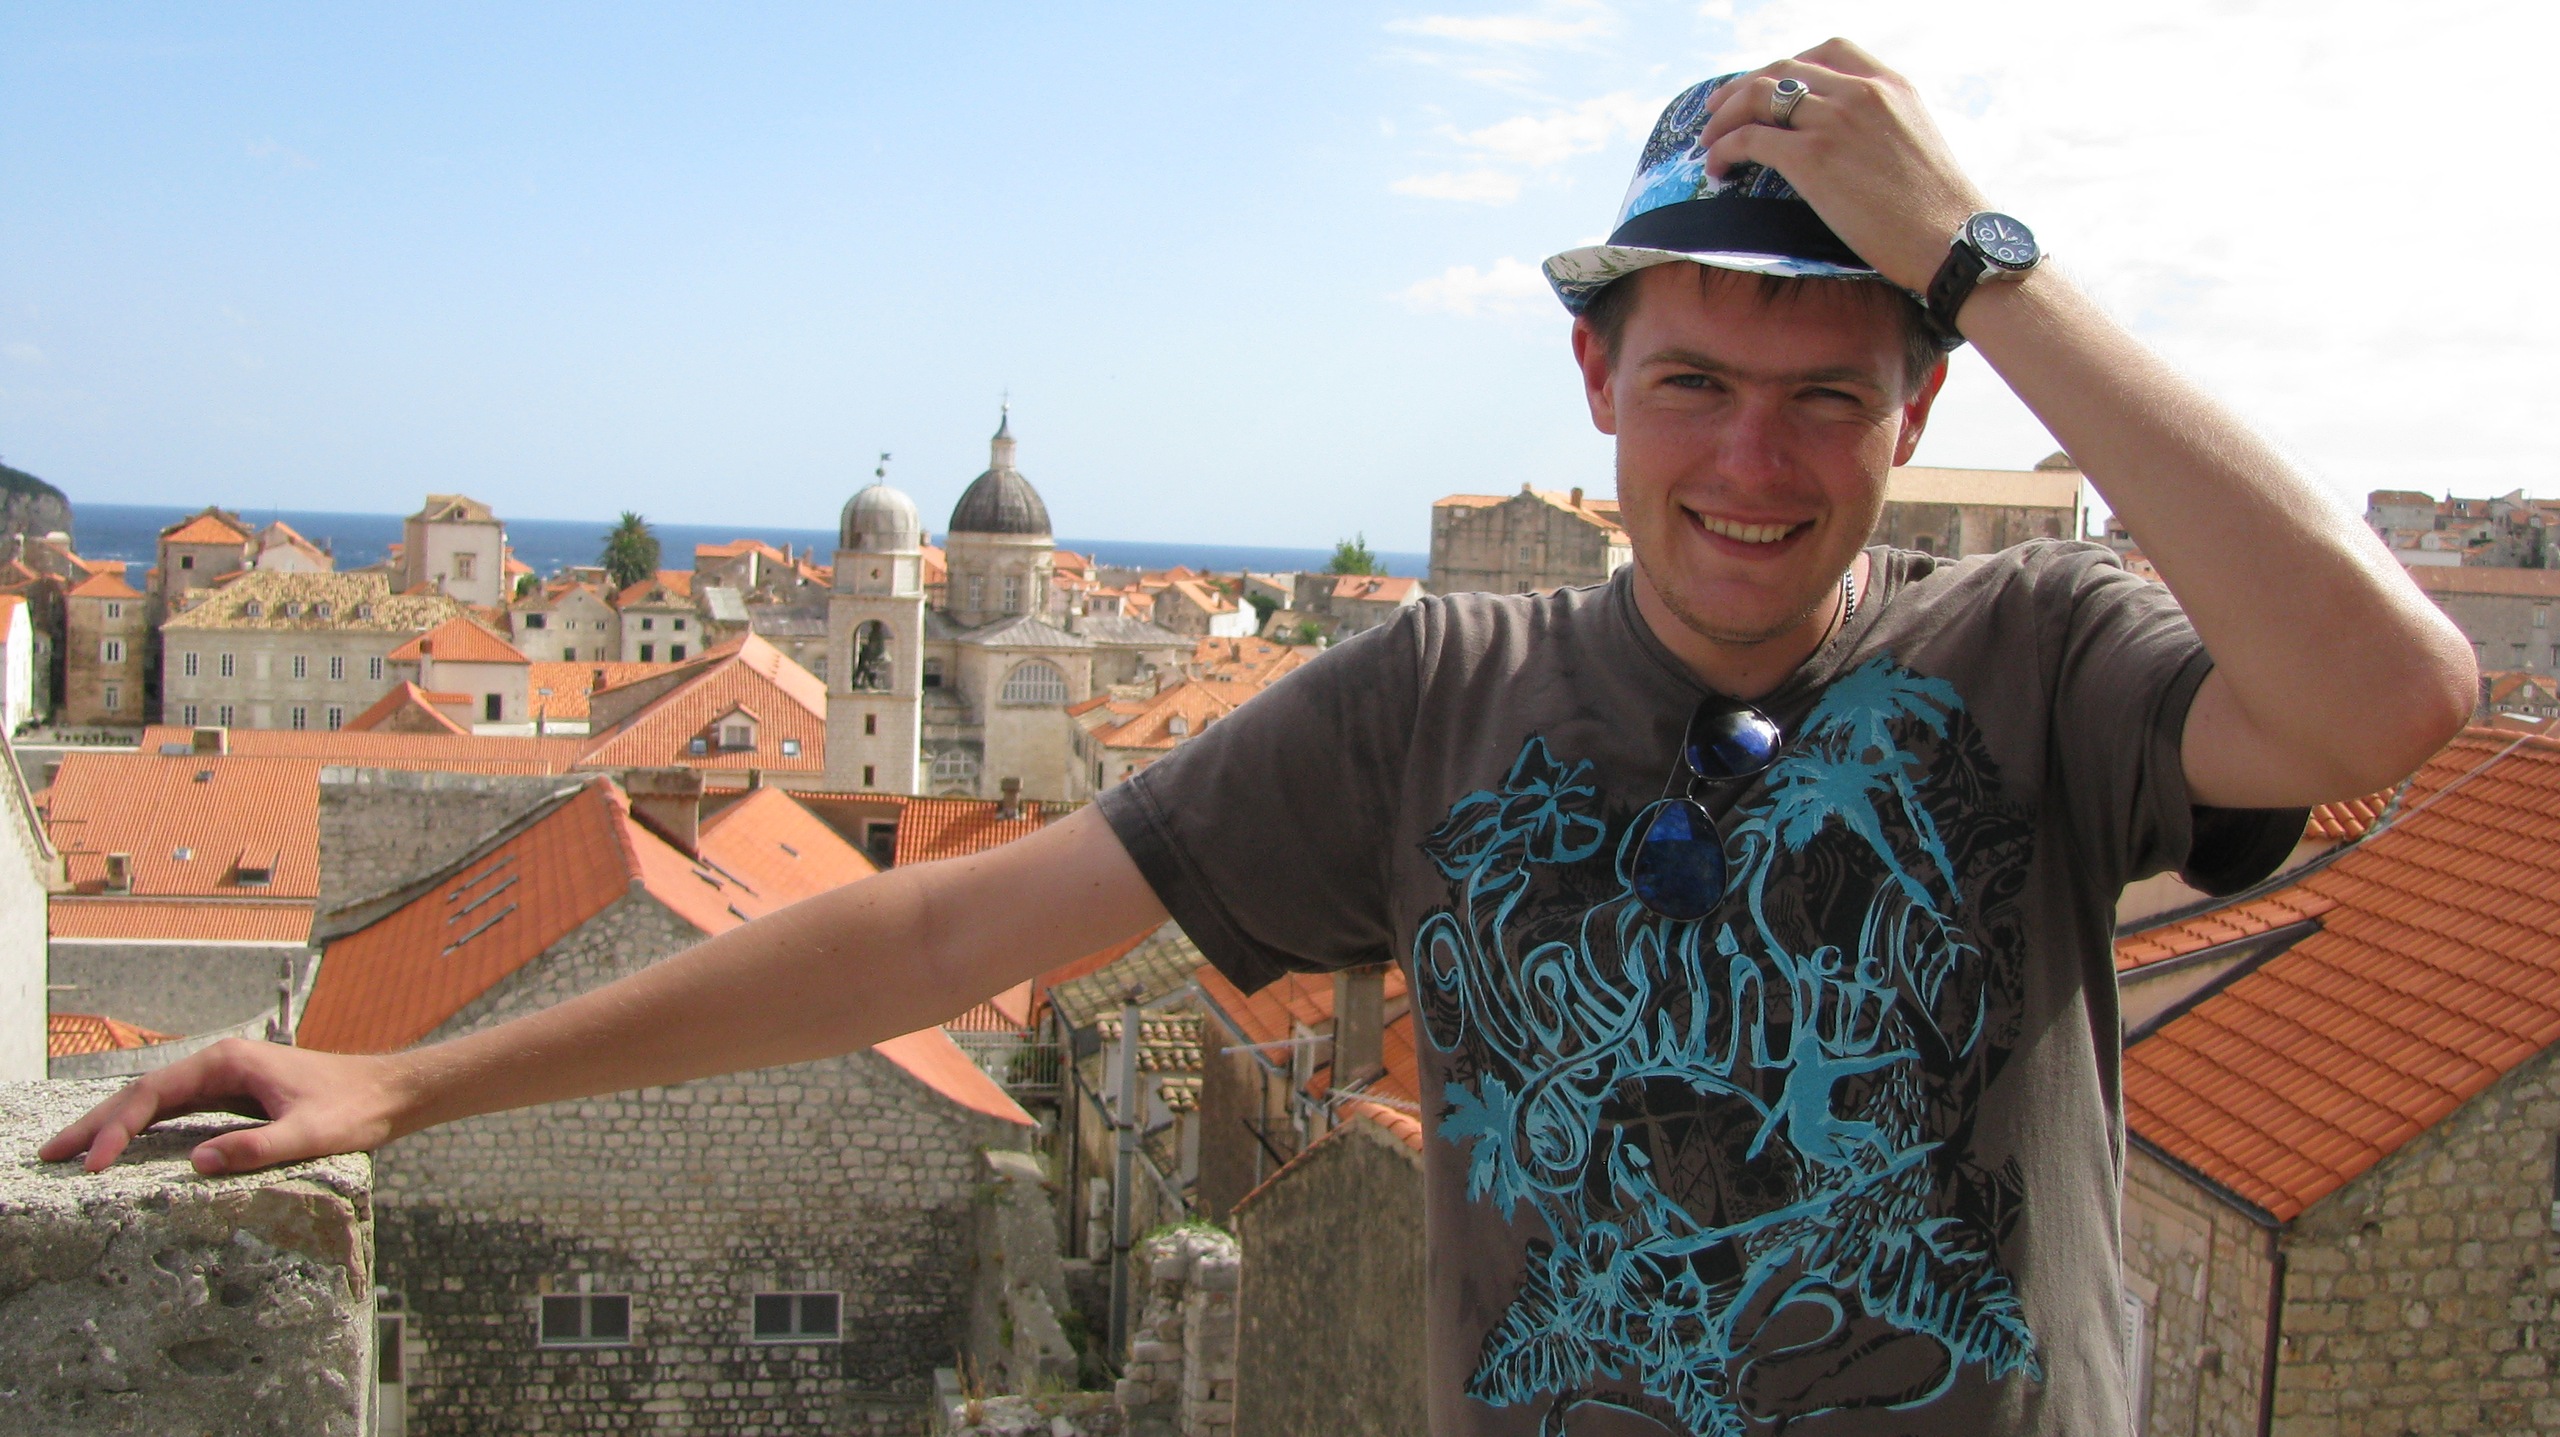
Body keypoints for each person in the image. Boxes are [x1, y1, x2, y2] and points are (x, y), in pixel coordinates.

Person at [46, 40, 2471, 1436]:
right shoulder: (1436, 698)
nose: (1750, 459)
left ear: (1917, 404)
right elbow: (942, 930)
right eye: (1692, 382)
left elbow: (2389, 695)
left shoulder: (2034, 656)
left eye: (1827, 394)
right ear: (1593, 380)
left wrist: (1979, 254)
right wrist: (408, 1079)